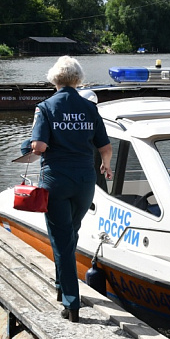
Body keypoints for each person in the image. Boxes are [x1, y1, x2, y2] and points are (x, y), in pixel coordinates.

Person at [29, 56, 113, 323]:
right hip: (86, 181)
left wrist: (31, 145)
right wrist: (107, 167)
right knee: (69, 234)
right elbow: (105, 147)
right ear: (78, 79)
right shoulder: (89, 108)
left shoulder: (45, 107)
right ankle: (60, 285)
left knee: (63, 240)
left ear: (54, 78)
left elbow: (39, 147)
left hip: (57, 181)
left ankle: (71, 302)